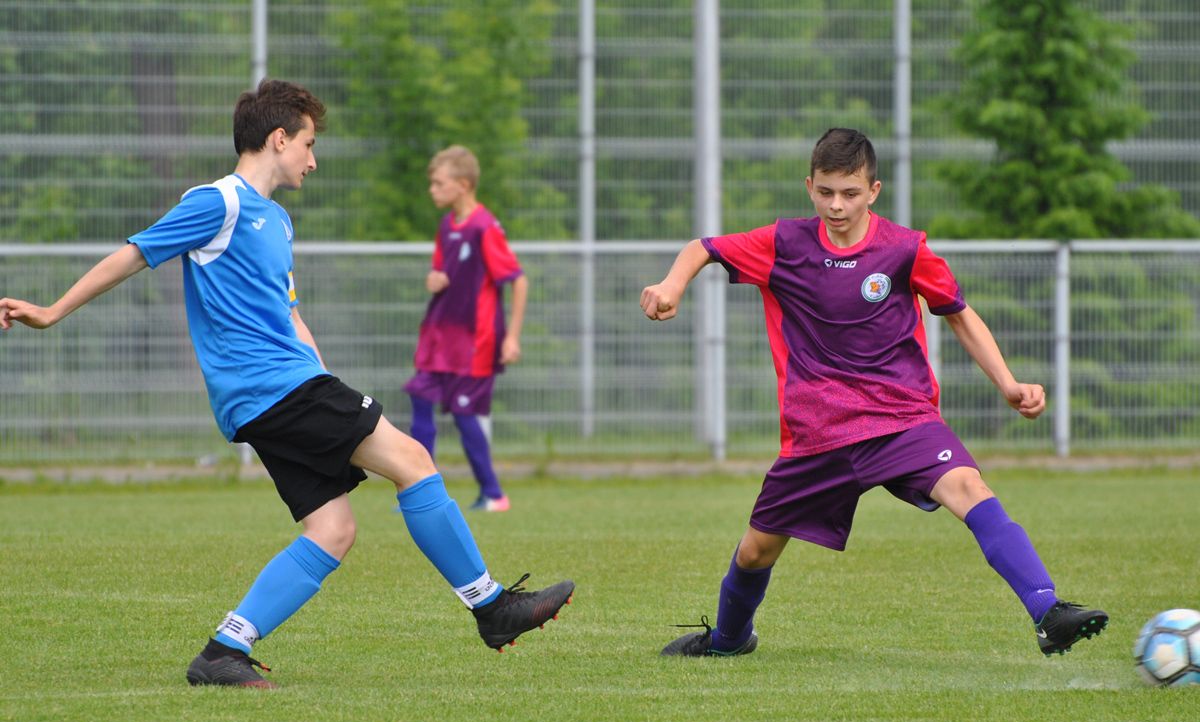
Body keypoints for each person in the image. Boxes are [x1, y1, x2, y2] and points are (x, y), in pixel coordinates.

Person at [0, 79, 573, 688]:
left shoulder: (276, 220)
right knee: (413, 460)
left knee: (333, 530)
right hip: (270, 387)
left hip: (283, 389)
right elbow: (136, 253)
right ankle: (491, 607)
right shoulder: (218, 202)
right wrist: (51, 311)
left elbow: (290, 314)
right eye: (308, 143)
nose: (312, 159)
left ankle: (223, 651)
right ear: (279, 139)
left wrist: (323, 375)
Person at [640, 128, 1106, 659]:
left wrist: (1008, 383)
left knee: (969, 488)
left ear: (874, 191)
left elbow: (957, 312)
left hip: (900, 419)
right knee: (756, 551)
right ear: (810, 187)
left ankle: (1048, 610)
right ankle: (728, 641)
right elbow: (703, 248)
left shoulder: (905, 249)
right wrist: (672, 285)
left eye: (850, 193)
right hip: (818, 433)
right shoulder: (785, 243)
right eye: (825, 192)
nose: (837, 206)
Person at [403, 145, 527, 512]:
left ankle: (493, 494)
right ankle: (422, 491)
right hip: (440, 339)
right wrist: (434, 279)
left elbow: (518, 281)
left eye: (439, 183)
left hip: (476, 343)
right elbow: (440, 270)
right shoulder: (447, 226)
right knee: (420, 396)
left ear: (463, 185)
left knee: (463, 413)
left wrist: (512, 337)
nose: (432, 190)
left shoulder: (484, 227)